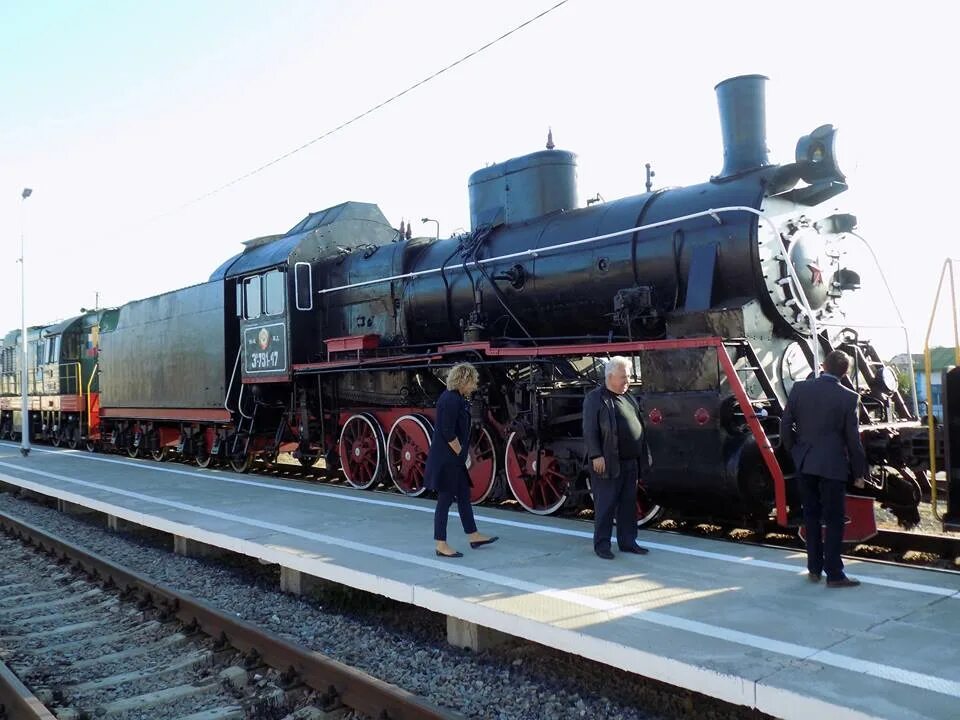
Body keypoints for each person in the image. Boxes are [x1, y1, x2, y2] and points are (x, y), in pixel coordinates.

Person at [780, 349, 868, 588]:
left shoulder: (800, 389)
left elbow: (785, 424)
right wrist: (859, 472)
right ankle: (835, 574)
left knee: (810, 517)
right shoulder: (849, 397)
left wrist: (795, 451)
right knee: (834, 519)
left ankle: (814, 569)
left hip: (805, 462)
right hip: (832, 465)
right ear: (845, 372)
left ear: (823, 366)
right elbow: (853, 440)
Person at [423, 362, 498, 558]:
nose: (474, 386)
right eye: (472, 381)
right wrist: (460, 455)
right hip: (448, 461)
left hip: (453, 460)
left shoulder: (456, 398)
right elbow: (447, 432)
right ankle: (440, 543)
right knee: (445, 500)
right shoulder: (450, 400)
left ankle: (473, 535)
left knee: (464, 496)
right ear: (463, 380)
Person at [582, 356, 650, 560]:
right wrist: (596, 454)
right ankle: (602, 545)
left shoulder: (628, 397)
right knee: (606, 504)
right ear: (610, 376)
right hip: (608, 461)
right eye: (623, 377)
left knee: (628, 505)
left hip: (630, 462)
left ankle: (628, 542)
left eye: (628, 377)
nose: (627, 382)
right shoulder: (595, 398)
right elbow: (589, 429)